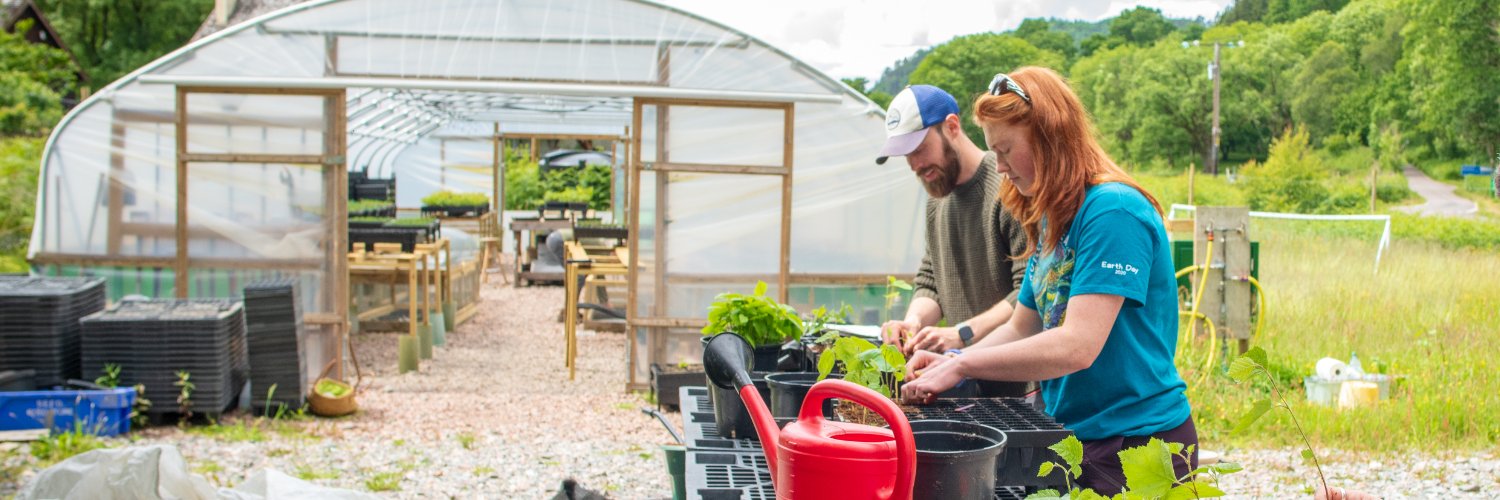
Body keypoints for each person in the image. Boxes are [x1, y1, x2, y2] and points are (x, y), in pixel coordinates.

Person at [899, 67, 1196, 495]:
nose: (998, 167)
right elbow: (1022, 325)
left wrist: (962, 363)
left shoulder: (1113, 212)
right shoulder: (1055, 219)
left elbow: (1077, 345)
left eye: (1005, 149)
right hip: (1072, 435)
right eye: (992, 152)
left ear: (1050, 136)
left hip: (1137, 442)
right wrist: (951, 360)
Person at [872, 85, 1030, 398]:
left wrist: (962, 333)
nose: (915, 165)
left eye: (919, 149)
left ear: (952, 126)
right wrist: (913, 321)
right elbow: (931, 279)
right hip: (964, 378)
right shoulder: (937, 199)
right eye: (907, 155)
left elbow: (1030, 291)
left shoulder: (1010, 187)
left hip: (1019, 388)